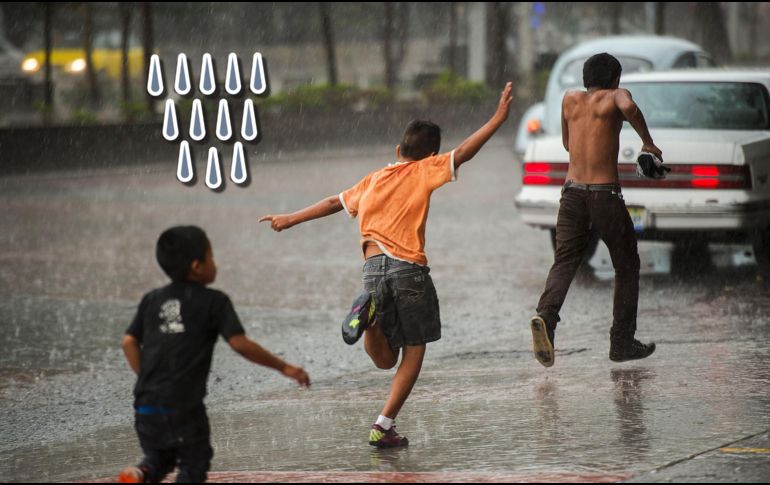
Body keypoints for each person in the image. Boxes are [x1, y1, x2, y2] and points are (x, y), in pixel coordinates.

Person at [259, 82, 513, 448]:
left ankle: (371, 320)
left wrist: (290, 218)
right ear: (431, 155)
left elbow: (334, 201)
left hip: (372, 267)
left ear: (397, 150)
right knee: (415, 348)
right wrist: (497, 118)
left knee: (384, 359)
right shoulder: (427, 169)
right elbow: (466, 152)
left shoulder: (375, 178)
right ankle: (383, 424)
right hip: (408, 268)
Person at [119, 226, 310, 483]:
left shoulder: (152, 299)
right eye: (211, 256)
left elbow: (129, 342)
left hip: (145, 405)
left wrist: (146, 377)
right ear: (197, 266)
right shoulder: (214, 302)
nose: (215, 262)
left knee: (158, 457)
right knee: (194, 462)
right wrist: (284, 367)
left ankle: (141, 473)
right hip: (184, 406)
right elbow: (240, 344)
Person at [530, 53, 661, 368]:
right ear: (616, 79)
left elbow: (567, 145)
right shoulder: (617, 96)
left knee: (565, 261)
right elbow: (628, 107)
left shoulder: (570, 100)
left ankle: (546, 317)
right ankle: (622, 342)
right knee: (627, 265)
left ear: (586, 79)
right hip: (604, 195)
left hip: (572, 194)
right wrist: (648, 144)